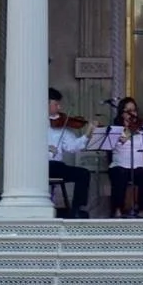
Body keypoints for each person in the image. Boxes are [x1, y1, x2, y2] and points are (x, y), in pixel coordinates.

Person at [105, 95, 143, 216]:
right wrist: (127, 133)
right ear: (122, 113)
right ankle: (117, 210)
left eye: (133, 110)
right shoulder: (115, 129)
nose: (131, 114)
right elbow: (111, 144)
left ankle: (142, 210)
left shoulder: (141, 129)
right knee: (119, 174)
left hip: (139, 166)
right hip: (120, 165)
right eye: (128, 111)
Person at [48, 88, 92, 217]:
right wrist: (44, 147)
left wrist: (87, 134)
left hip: (56, 166)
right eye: (56, 104)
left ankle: (77, 209)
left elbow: (72, 147)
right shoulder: (32, 123)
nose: (59, 107)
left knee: (83, 174)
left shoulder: (62, 124)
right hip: (38, 166)